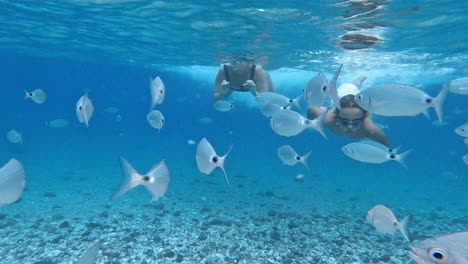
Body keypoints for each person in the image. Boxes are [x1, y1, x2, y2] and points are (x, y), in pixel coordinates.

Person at [307, 94, 389, 146]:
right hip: (340, 96)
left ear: (363, 118)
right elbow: (311, 109)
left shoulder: (370, 130)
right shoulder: (328, 119)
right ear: (337, 116)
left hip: (356, 97)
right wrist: (313, 125)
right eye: (344, 122)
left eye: (356, 122)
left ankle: (358, 81)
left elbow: (386, 146)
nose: (350, 126)